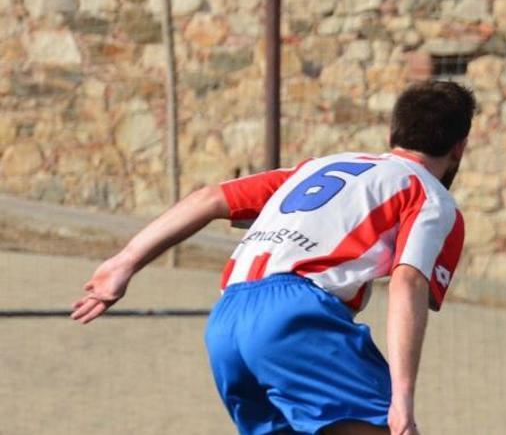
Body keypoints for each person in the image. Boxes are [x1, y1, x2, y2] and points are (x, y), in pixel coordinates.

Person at [72, 80, 477, 435]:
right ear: (459, 147)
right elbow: (407, 281)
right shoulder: (429, 196)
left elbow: (209, 198)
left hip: (227, 321)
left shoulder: (320, 166)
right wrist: (402, 397)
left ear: (394, 132)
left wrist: (124, 262)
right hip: (298, 319)